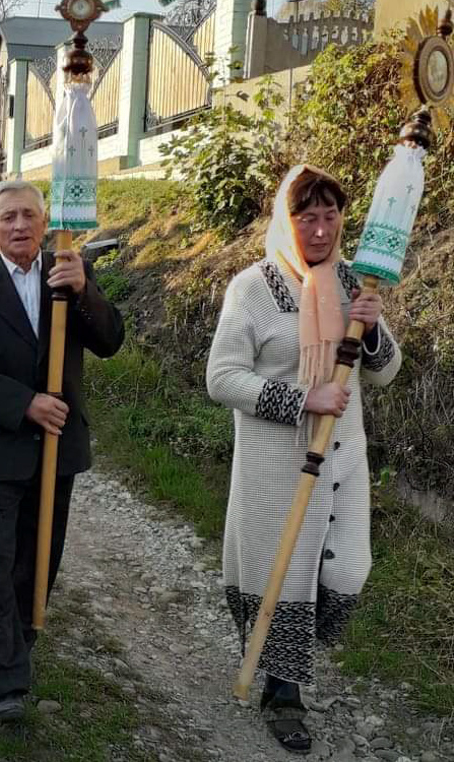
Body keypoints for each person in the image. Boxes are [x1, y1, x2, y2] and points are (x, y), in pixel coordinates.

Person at [205, 165, 401, 754]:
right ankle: (282, 693)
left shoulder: (353, 282)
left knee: (343, 569)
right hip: (276, 462)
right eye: (306, 218)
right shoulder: (253, 288)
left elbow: (385, 371)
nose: (319, 231)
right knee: (284, 575)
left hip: (342, 459)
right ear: (284, 222)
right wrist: (301, 399)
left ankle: (285, 662)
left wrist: (370, 330)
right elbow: (222, 377)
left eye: (329, 216)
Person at [0, 180, 124, 722]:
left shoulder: (67, 275)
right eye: (8, 217)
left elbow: (110, 340)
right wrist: (25, 403)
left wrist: (85, 291)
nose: (20, 226)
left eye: (29, 216)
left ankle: (18, 639)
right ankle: (6, 683)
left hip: (56, 446)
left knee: (40, 556)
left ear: (45, 223)